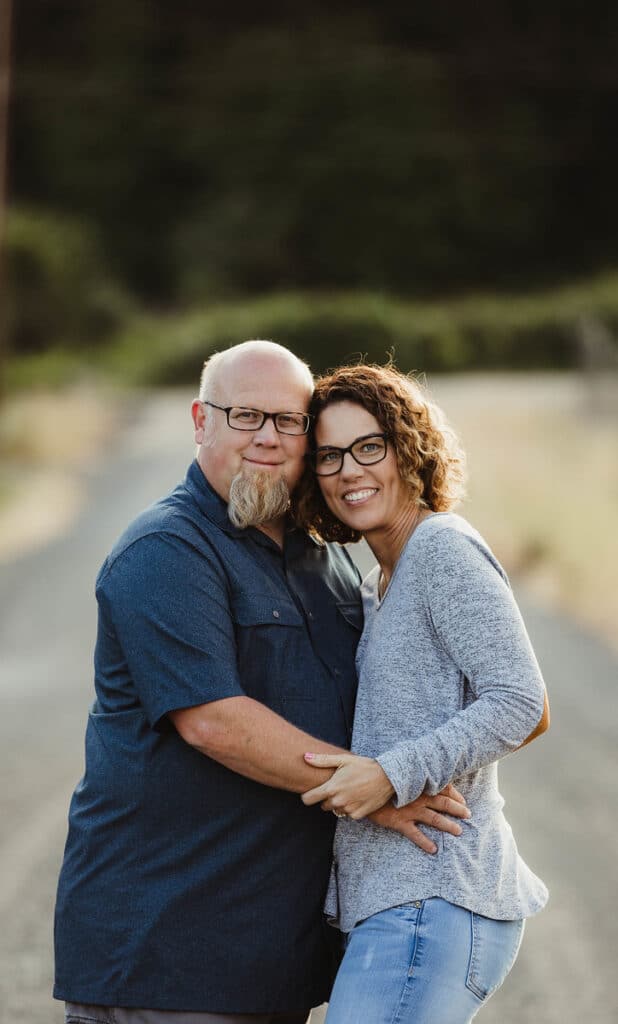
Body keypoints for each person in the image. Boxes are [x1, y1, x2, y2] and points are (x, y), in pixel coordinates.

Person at [54, 341, 471, 1024]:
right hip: (168, 951)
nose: (269, 439)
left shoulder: (323, 555)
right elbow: (213, 720)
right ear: (200, 420)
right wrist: (373, 790)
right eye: (247, 416)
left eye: (290, 420)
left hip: (272, 955)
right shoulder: (166, 549)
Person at [295, 363, 550, 1024]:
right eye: (329, 455)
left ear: (409, 448)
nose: (350, 470)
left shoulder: (440, 549)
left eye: (369, 446)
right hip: (401, 906)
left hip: (431, 899)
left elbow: (522, 702)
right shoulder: (382, 579)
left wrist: (392, 774)